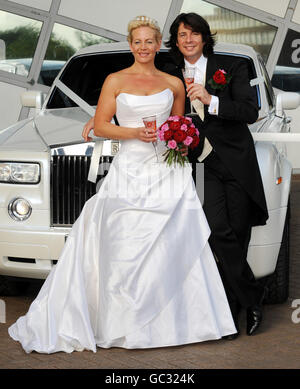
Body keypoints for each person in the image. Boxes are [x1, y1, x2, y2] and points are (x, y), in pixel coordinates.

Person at [8, 16, 236, 354]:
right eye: (137, 42)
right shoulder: (115, 80)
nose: (143, 47)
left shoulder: (173, 83)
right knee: (121, 236)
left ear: (158, 45)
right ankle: (121, 321)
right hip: (130, 167)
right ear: (131, 45)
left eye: (149, 42)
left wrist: (181, 140)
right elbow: (101, 125)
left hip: (164, 169)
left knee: (174, 237)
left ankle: (184, 321)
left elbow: (178, 125)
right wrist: (133, 133)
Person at [165, 13, 269, 339]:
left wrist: (211, 100)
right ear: (176, 40)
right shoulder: (168, 70)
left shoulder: (231, 66)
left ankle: (232, 305)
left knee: (237, 233)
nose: (189, 39)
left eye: (195, 33)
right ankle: (252, 299)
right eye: (183, 35)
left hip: (236, 163)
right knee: (216, 230)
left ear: (204, 37)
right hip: (201, 165)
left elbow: (249, 112)